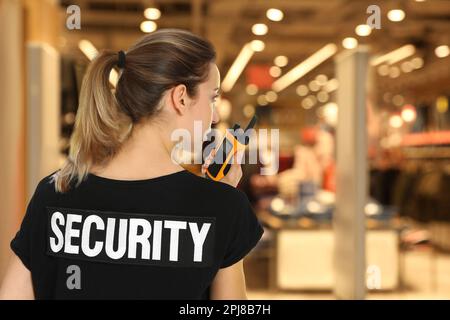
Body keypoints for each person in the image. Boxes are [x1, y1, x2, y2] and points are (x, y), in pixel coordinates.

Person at [0, 29, 264, 300]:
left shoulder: (54, 191)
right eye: (213, 98)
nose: (216, 114)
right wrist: (222, 207)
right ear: (181, 97)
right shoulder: (223, 207)